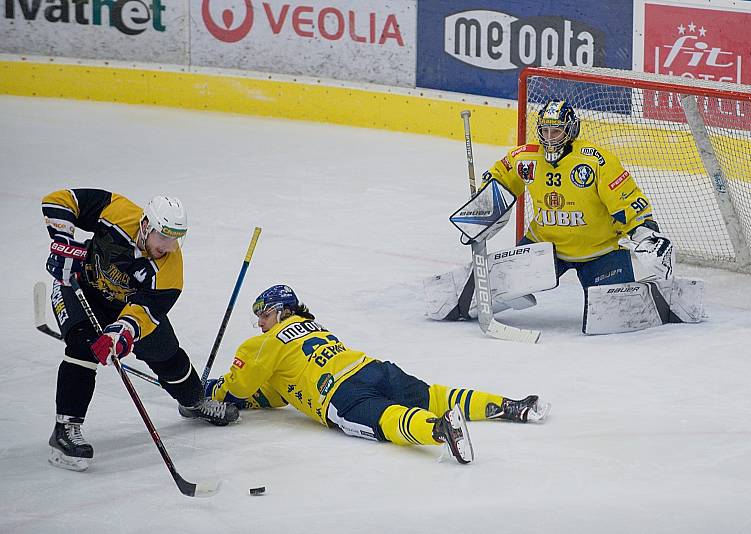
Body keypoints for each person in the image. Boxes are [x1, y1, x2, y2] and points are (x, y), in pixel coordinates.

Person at [205, 284, 551, 464]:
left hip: (339, 395)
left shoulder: (262, 343)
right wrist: (253, 402)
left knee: (386, 420)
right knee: (432, 394)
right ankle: (511, 405)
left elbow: (241, 385)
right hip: (370, 368)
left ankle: (439, 429)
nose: (260, 324)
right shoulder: (313, 327)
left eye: (262, 316)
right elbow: (280, 392)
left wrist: (210, 391)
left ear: (278, 312)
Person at [431, 100, 689, 332]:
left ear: (571, 131)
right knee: (485, 296)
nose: (550, 138)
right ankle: (458, 301)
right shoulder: (526, 158)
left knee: (612, 318)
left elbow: (627, 200)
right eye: (545, 131)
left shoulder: (595, 161)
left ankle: (664, 297)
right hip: (544, 246)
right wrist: (481, 209)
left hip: (600, 252)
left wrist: (645, 232)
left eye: (557, 131)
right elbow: (501, 180)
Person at [42, 188, 239, 472]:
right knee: (82, 348)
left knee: (167, 353)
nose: (169, 246)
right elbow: (59, 199)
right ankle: (65, 430)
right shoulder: (118, 212)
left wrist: (118, 335)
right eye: (163, 236)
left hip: (126, 308)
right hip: (76, 288)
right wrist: (63, 241)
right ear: (146, 225)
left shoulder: (170, 269)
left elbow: (146, 313)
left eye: (176, 239)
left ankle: (194, 401)